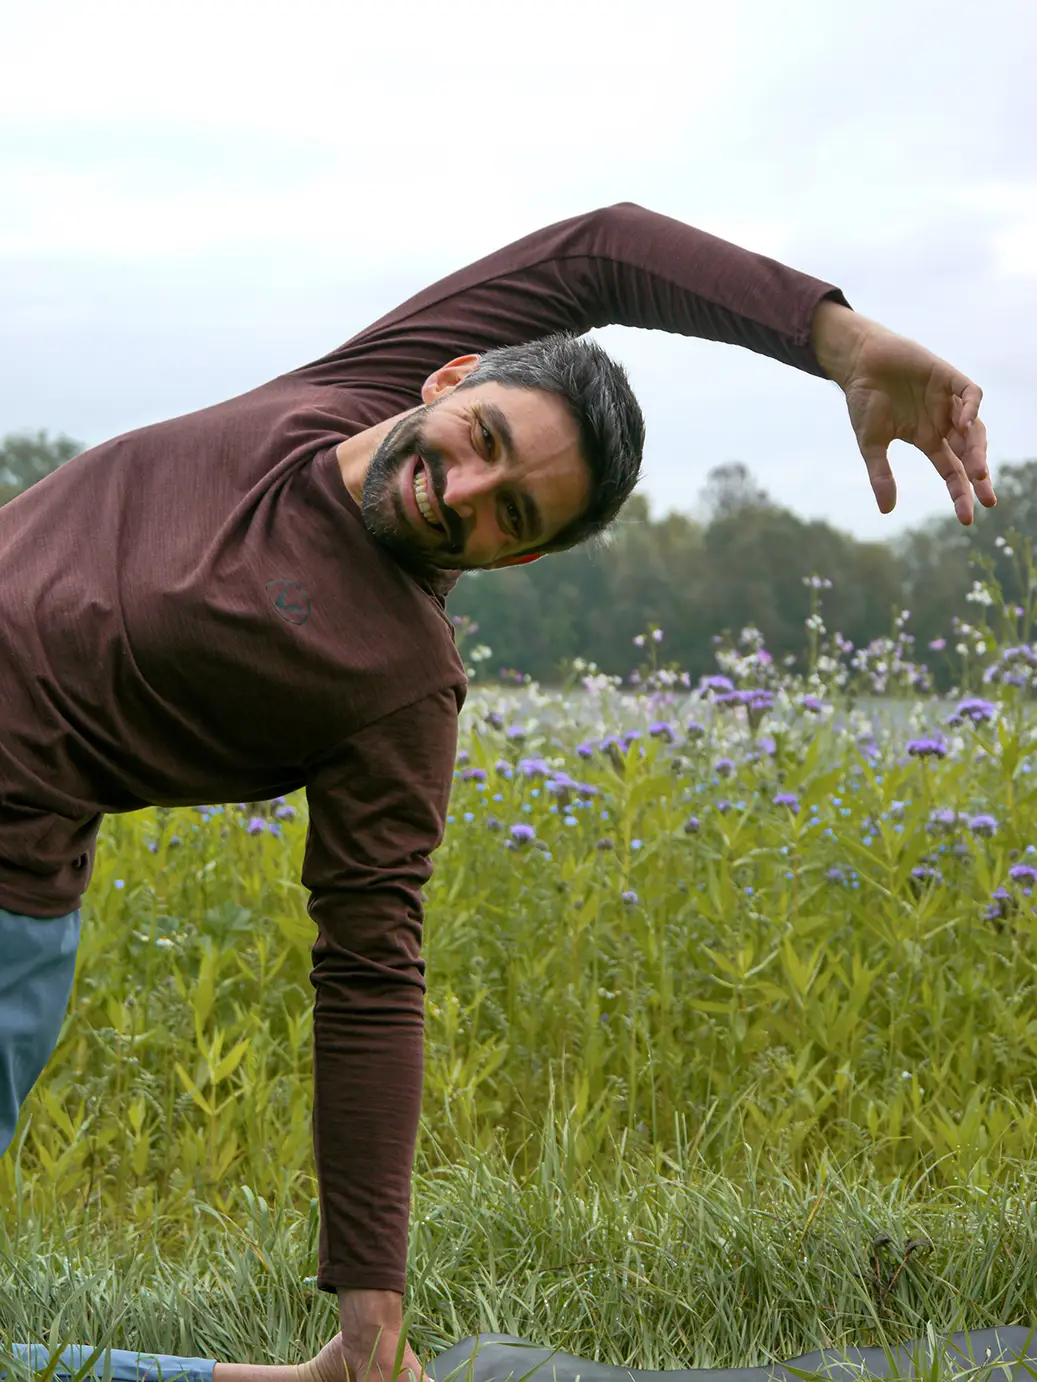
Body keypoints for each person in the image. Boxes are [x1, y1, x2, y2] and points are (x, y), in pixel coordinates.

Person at [0, 202, 993, 1382]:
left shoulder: (395, 685)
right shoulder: (357, 390)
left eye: (507, 511)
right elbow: (604, 250)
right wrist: (833, 338)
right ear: (451, 377)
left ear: (514, 558)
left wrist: (370, 1319)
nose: (460, 488)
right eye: (480, 437)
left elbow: (371, 971)